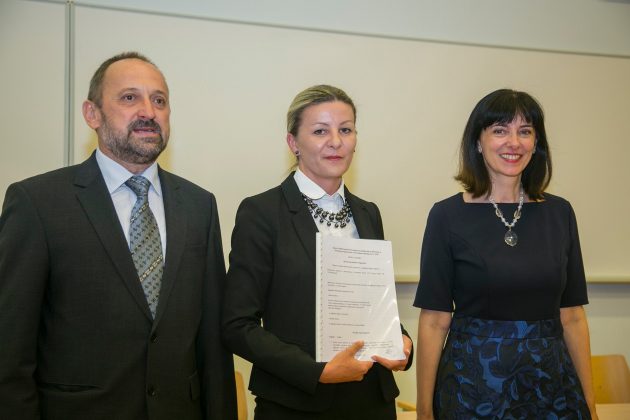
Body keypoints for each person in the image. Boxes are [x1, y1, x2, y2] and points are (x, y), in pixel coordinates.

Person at [0, 52, 236, 420]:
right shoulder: (37, 203)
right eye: (129, 98)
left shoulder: (199, 205)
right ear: (92, 114)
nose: (149, 111)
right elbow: (9, 349)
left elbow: (212, 344)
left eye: (159, 100)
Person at [222, 84, 413, 419]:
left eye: (346, 130)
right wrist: (316, 371)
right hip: (296, 404)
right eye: (320, 131)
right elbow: (237, 325)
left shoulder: (368, 212)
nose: (336, 141)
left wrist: (401, 340)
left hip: (373, 401)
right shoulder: (262, 213)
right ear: (293, 142)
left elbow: (376, 305)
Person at [414, 89, 597, 419]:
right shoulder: (446, 216)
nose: (514, 142)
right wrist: (424, 411)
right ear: (478, 141)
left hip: (551, 389)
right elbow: (434, 322)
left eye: (525, 131)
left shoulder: (560, 213)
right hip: (473, 390)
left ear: (536, 144)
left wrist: (590, 406)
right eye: (500, 130)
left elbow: (572, 317)